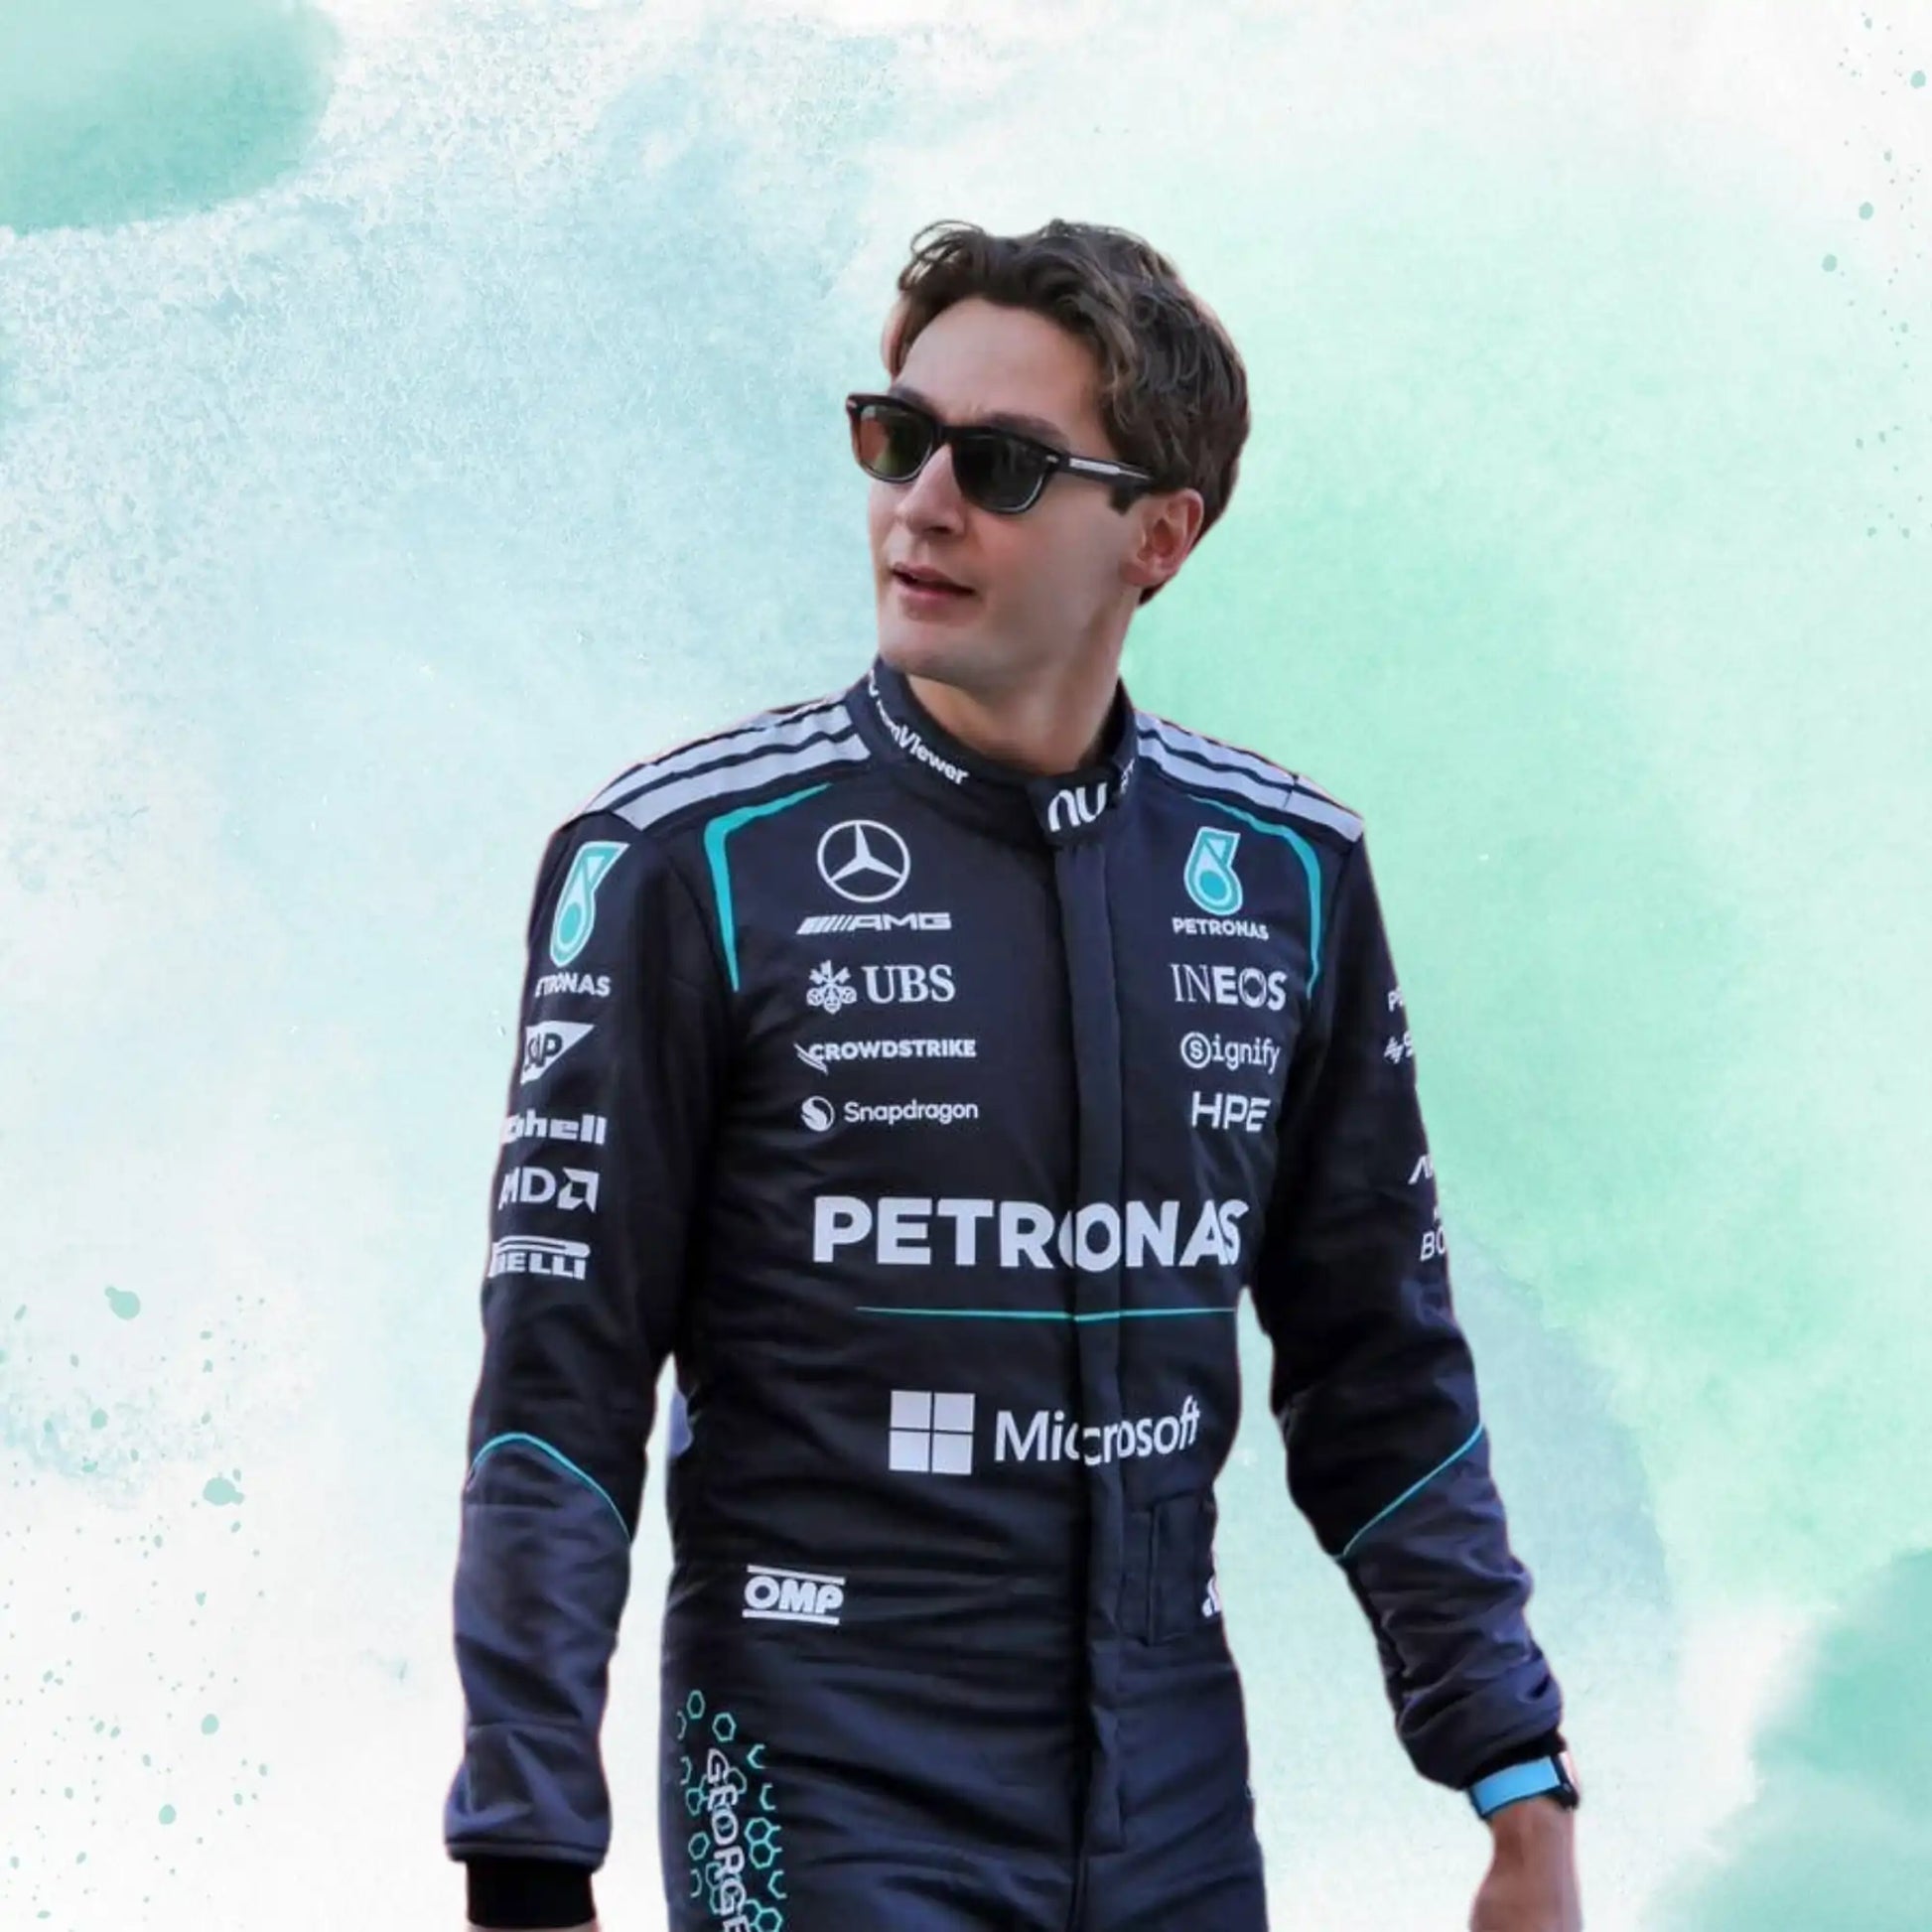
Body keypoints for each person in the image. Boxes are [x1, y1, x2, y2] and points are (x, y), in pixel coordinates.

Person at [442, 216, 1584, 1932]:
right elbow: (560, 1386)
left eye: (999, 464)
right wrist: (528, 1850)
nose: (920, 504)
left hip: (1168, 1787)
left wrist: (1514, 1777)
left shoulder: (1286, 873)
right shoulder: (684, 862)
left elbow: (1381, 1372)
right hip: (813, 1766)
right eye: (895, 438)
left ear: (1158, 535)